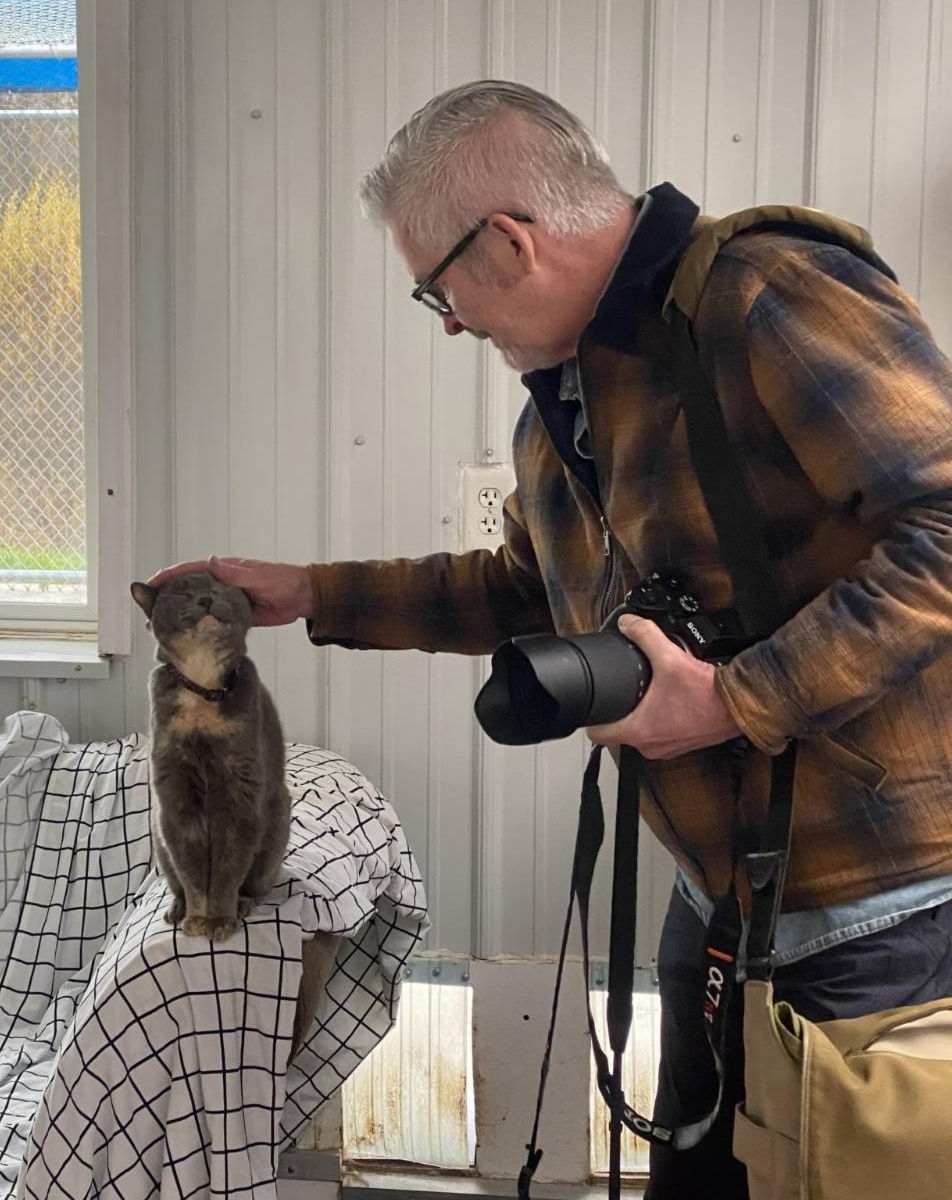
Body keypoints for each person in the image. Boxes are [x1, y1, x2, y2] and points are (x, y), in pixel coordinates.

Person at [148, 79, 952, 1198]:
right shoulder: (560, 409)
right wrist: (313, 595)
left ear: (509, 242)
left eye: (437, 289)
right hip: (718, 895)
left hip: (876, 910)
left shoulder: (766, 294)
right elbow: (519, 591)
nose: (449, 322)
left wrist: (736, 699)